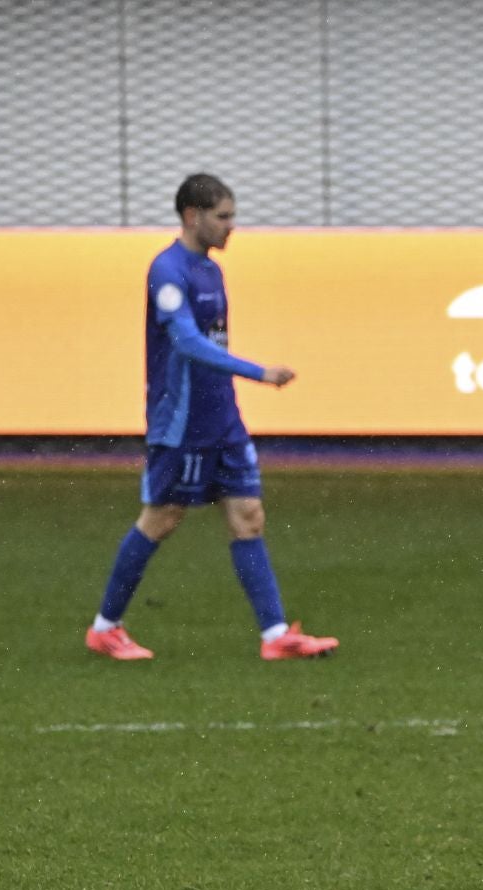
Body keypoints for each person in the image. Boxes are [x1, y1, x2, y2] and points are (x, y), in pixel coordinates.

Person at [84, 173, 336, 662]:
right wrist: (258, 371)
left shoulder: (211, 272)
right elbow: (187, 343)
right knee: (161, 518)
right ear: (192, 216)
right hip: (180, 422)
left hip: (223, 419)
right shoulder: (167, 271)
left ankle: (275, 635)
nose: (231, 226)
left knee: (249, 516)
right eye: (223, 216)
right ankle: (105, 627)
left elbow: (210, 344)